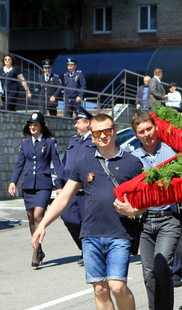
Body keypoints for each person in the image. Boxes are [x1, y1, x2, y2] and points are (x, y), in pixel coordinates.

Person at [32, 114, 143, 310]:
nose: (103, 136)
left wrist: (134, 210)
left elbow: (145, 200)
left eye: (107, 131)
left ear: (115, 131)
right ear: (91, 136)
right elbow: (64, 197)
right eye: (97, 132)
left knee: (117, 286)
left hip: (120, 233)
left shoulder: (132, 163)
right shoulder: (84, 163)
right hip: (90, 234)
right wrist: (42, 224)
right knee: (100, 289)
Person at [117, 111, 182, 310]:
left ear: (156, 127)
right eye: (141, 132)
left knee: (162, 267)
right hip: (144, 221)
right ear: (136, 135)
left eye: (149, 129)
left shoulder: (170, 153)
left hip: (168, 220)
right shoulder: (133, 159)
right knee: (149, 273)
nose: (146, 134)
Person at [8, 112, 63, 268]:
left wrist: (59, 186)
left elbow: (57, 164)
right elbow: (19, 164)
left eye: (35, 125)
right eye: (30, 125)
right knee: (31, 218)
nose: (32, 127)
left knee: (39, 215)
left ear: (41, 126)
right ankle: (38, 248)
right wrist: (13, 181)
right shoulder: (25, 143)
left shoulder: (50, 143)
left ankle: (35, 251)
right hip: (28, 186)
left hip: (44, 185)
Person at [54, 106, 96, 266]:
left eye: (78, 122)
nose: (75, 126)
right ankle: (85, 247)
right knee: (68, 218)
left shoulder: (95, 140)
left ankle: (89, 251)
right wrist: (58, 183)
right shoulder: (73, 140)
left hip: (86, 190)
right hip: (69, 190)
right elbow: (64, 164)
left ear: (86, 123)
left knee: (88, 222)